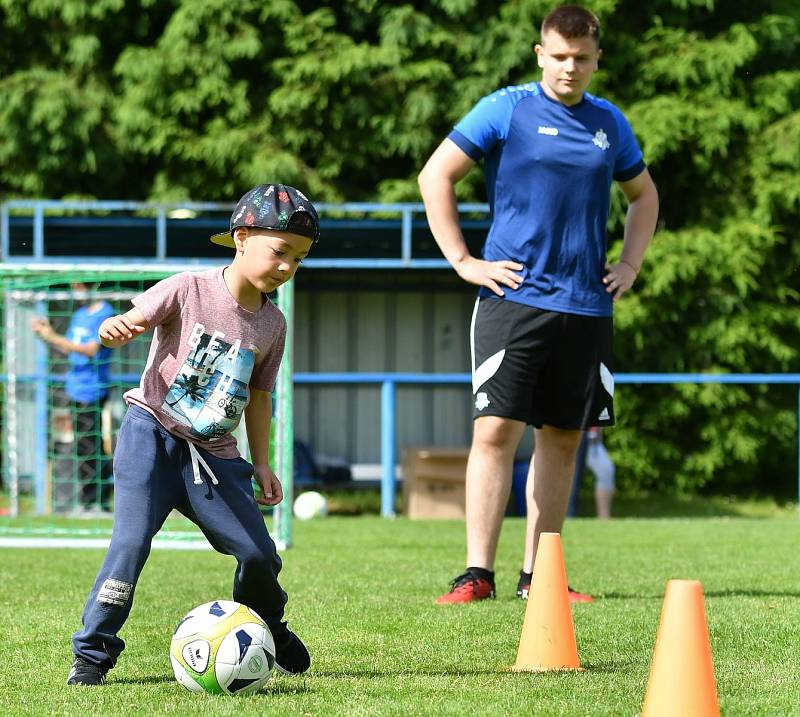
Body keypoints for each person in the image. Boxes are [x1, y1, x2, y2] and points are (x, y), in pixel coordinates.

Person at [418, 4, 658, 604]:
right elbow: (436, 176)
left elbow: (643, 195)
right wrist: (464, 261)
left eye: (581, 58)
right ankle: (477, 574)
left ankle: (541, 579)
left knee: (563, 437)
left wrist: (629, 264)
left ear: (597, 58)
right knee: (495, 430)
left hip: (586, 305)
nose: (569, 68)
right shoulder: (507, 107)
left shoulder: (610, 123)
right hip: (513, 298)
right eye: (559, 56)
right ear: (539, 54)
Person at [67, 183, 319, 686]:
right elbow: (132, 319)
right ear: (242, 238)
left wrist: (262, 464)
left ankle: (267, 623)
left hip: (214, 457)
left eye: (299, 259)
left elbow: (260, 397)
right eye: (281, 252)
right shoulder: (188, 288)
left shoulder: (273, 324)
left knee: (258, 555)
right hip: (150, 437)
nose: (287, 267)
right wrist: (116, 326)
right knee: (130, 545)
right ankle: (92, 656)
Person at [31, 283, 115, 512]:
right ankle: (88, 502)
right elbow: (69, 347)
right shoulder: (79, 315)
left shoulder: (106, 314)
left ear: (91, 286)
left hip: (93, 390)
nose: (76, 292)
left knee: (92, 447)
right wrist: (46, 336)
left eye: (78, 287)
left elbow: (89, 350)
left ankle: (96, 503)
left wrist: (52, 336)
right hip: (74, 389)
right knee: (81, 447)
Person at [567, 427, 615, 519]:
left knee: (606, 470)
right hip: (571, 440)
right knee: (571, 479)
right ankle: (568, 516)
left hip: (593, 444)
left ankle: (604, 517)